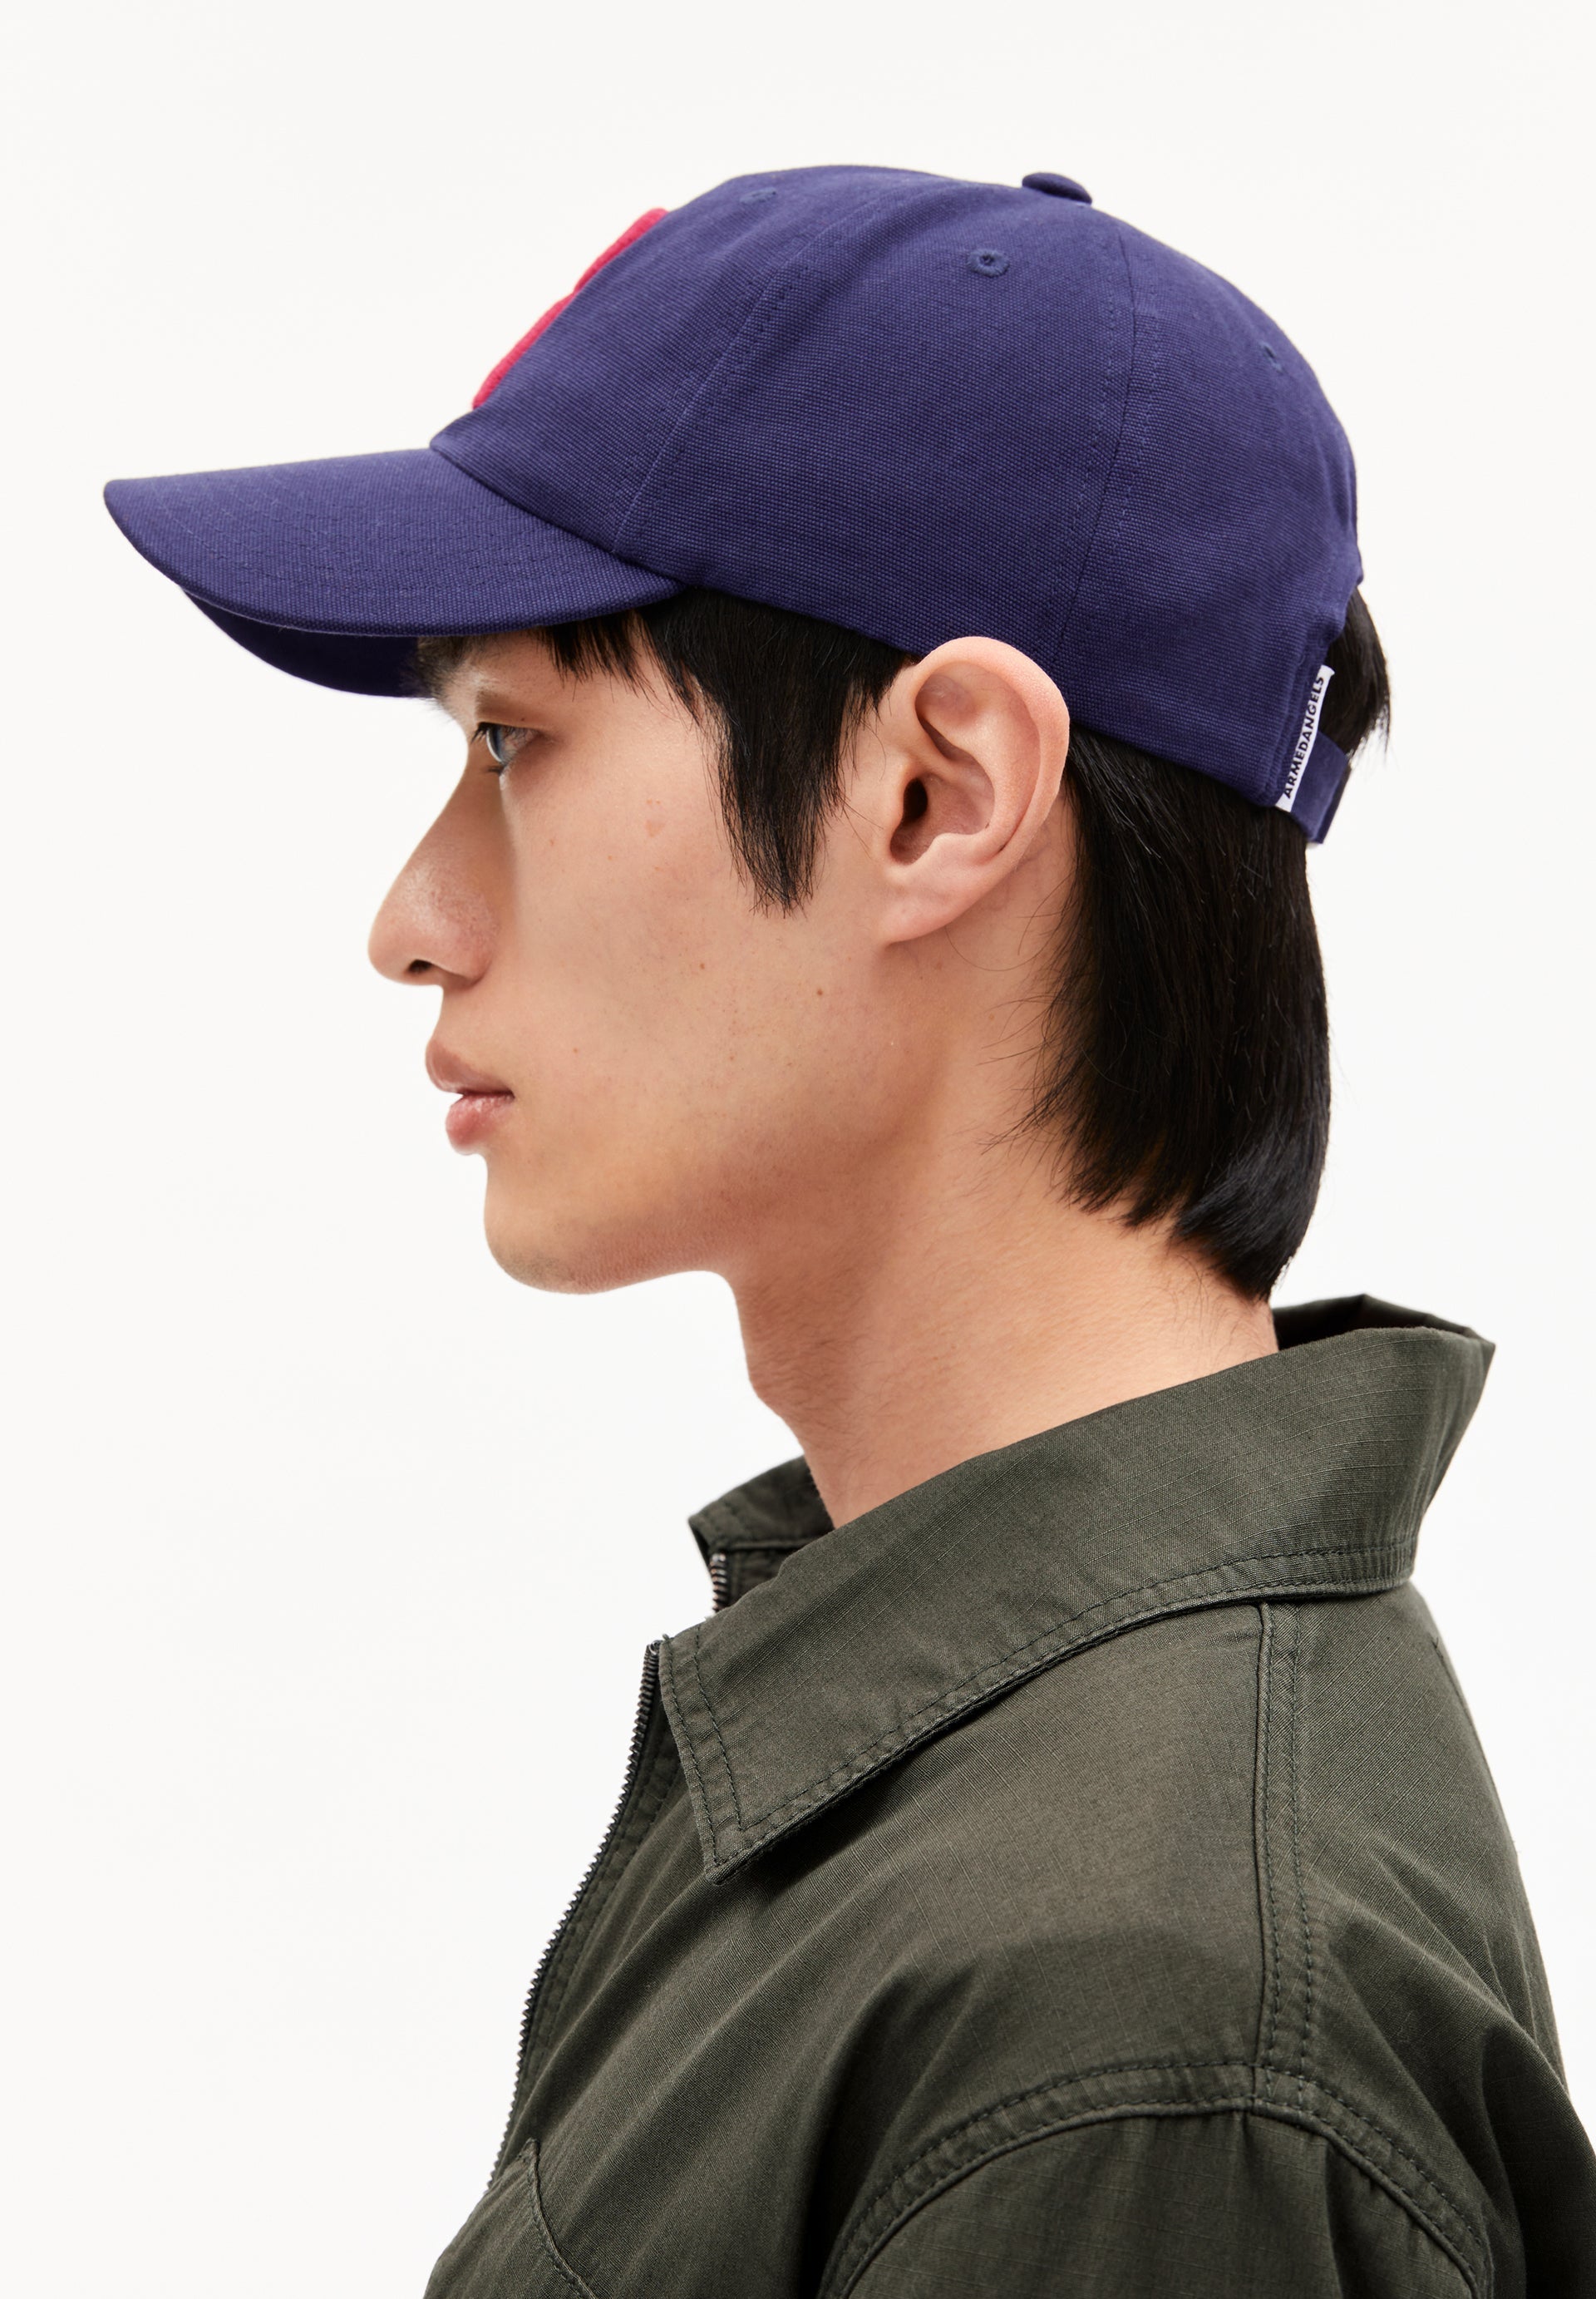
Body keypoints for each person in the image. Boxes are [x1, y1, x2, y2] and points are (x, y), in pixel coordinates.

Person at [104, 164, 1595, 2297]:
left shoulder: (1130, 2028)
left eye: (513, 743)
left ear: (939, 796)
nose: (410, 922)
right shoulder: (984, 1793)